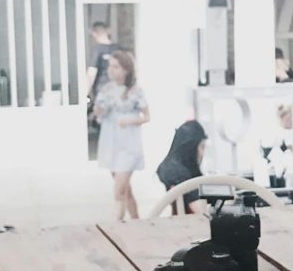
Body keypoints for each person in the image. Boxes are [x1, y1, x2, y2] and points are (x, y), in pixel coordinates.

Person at [94, 50, 149, 221]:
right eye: (110, 66)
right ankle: (137, 221)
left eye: (116, 66)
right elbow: (99, 114)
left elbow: (147, 116)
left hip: (129, 144)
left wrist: (130, 120)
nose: (111, 70)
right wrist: (98, 107)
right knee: (125, 190)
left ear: (126, 69)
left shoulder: (135, 91)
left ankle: (115, 225)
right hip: (111, 143)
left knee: (118, 192)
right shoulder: (106, 90)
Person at [156, 121, 209, 215]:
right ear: (191, 148)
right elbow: (202, 212)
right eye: (202, 147)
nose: (203, 153)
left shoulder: (170, 167)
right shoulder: (179, 175)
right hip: (193, 221)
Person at [86, 21, 119, 98]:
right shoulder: (118, 49)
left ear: (94, 34)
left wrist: (85, 94)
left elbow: (91, 73)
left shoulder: (97, 50)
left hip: (102, 89)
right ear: (107, 32)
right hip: (118, 89)